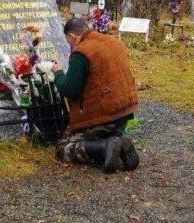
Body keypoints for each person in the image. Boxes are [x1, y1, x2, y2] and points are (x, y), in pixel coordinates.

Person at [51, 17, 140, 173]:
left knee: (63, 147)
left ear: (73, 36)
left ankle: (104, 147)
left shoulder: (82, 52)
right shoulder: (114, 42)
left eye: (69, 42)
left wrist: (58, 72)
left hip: (104, 115)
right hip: (125, 111)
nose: (71, 45)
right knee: (108, 134)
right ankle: (119, 144)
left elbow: (70, 90)